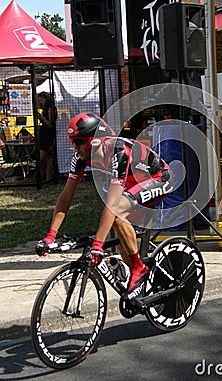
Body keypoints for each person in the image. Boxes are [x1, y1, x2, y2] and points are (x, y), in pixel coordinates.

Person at [36, 112, 174, 300]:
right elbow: (66, 197)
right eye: (72, 142)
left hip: (158, 178)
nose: (74, 147)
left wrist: (98, 245)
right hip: (134, 182)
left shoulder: (118, 151)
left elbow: (113, 204)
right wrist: (50, 236)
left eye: (78, 141)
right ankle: (140, 282)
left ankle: (139, 268)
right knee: (120, 236)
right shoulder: (81, 158)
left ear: (94, 141)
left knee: (116, 213)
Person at [37, 92, 57, 181]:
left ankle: (48, 177)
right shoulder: (43, 108)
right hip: (43, 133)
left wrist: (41, 117)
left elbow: (50, 124)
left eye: (41, 100)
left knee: (45, 157)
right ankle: (43, 176)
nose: (40, 102)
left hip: (48, 134)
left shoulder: (50, 109)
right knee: (43, 158)